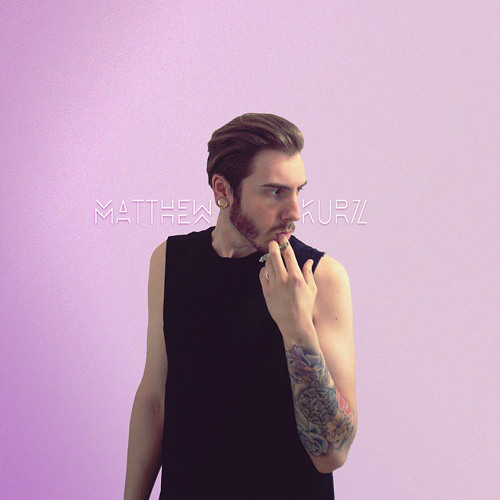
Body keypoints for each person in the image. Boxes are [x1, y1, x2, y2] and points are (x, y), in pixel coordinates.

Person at [124, 113, 357, 499]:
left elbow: (332, 453)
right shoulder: (170, 261)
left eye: (298, 191)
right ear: (223, 190)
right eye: (275, 192)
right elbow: (154, 400)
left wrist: (296, 326)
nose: (295, 212)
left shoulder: (320, 277)